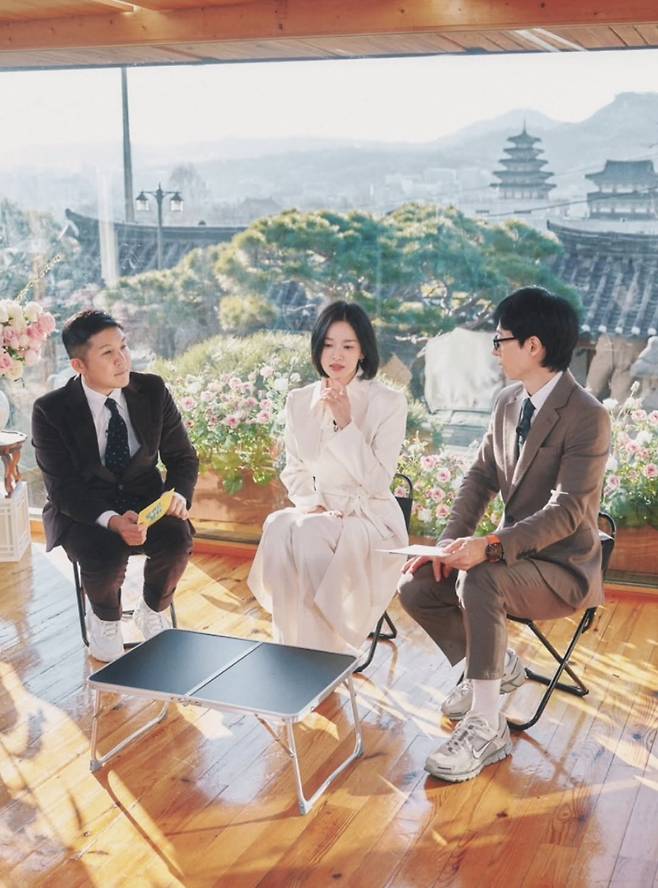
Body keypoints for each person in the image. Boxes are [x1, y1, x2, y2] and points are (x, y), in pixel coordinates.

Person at [399, 287, 610, 783]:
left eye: (501, 340)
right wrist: (447, 545)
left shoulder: (588, 416)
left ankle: (486, 725)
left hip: (561, 568)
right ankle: (498, 666)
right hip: (511, 559)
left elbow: (568, 510)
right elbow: (480, 477)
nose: (495, 351)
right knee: (417, 585)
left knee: (482, 579)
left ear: (532, 346)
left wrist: (490, 546)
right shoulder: (507, 402)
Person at [32, 309, 199, 662]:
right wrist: (111, 520)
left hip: (145, 500)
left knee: (177, 538)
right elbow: (63, 489)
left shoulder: (152, 390)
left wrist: (178, 496)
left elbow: (182, 457)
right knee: (103, 554)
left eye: (123, 346)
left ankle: (152, 609)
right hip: (84, 508)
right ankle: (105, 618)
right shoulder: (50, 411)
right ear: (79, 365)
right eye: (107, 352)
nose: (122, 359)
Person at [248, 300, 408, 655]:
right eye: (328, 344)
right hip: (320, 510)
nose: (336, 355)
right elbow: (295, 468)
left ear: (363, 351)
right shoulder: (299, 400)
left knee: (309, 534)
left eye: (348, 346)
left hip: (371, 517)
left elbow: (377, 483)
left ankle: (324, 657)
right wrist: (314, 505)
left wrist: (345, 422)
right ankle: (293, 648)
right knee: (279, 524)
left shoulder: (389, 402)